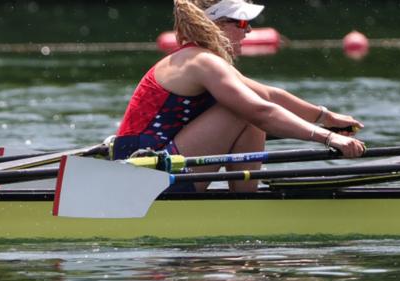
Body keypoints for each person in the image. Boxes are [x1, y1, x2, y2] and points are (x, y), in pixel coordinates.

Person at [113, 0, 367, 192]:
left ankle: (246, 203)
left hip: (154, 167)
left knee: (250, 109)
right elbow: (262, 111)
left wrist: (326, 117)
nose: (248, 31)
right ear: (215, 25)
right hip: (142, 175)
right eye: (242, 23)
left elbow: (269, 95)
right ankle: (245, 205)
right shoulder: (201, 62)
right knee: (243, 111)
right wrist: (329, 138)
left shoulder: (203, 60)